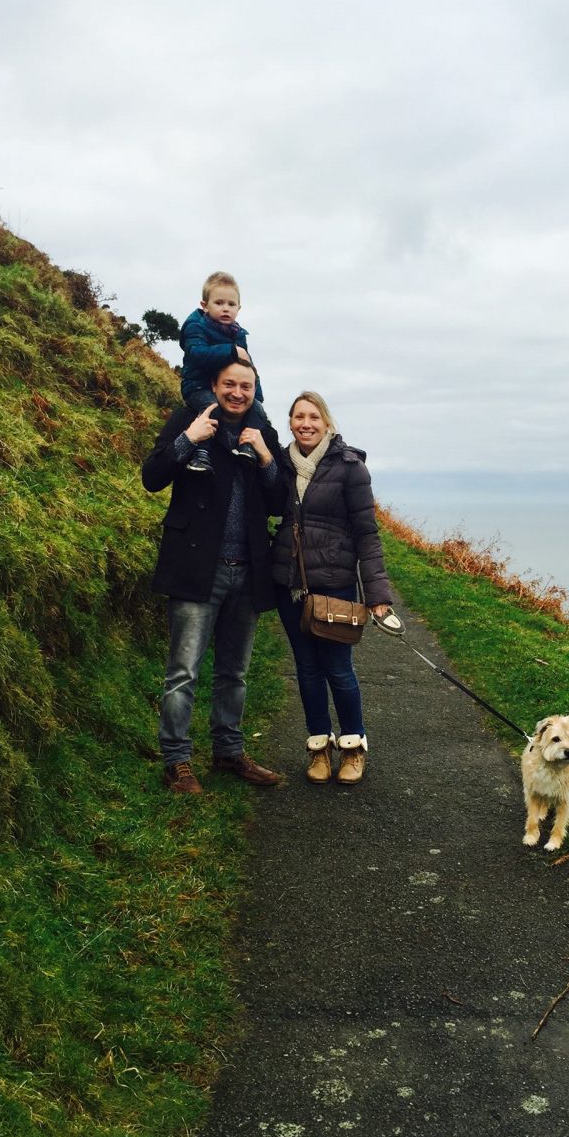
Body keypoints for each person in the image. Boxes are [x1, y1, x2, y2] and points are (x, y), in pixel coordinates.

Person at [141, 359, 284, 793]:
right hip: (197, 566)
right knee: (183, 671)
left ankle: (228, 753)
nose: (237, 392)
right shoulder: (190, 419)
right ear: (215, 386)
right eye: (229, 384)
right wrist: (188, 440)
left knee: (234, 673)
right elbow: (152, 477)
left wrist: (264, 456)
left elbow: (279, 501)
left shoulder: (263, 432)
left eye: (246, 386)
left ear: (254, 391)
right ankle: (176, 761)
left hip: (248, 571)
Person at [270, 391, 393, 785]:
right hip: (291, 587)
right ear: (289, 422)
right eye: (298, 417)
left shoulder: (350, 466)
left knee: (338, 670)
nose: (305, 424)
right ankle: (319, 749)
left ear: (327, 423)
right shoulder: (281, 465)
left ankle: (353, 749)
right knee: (307, 670)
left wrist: (378, 597)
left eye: (313, 417)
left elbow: (367, 534)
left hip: (336, 585)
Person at [178, 270, 268, 475]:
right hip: (198, 385)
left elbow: (248, 368)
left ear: (239, 308)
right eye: (219, 303)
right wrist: (231, 351)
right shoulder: (195, 326)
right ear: (204, 305)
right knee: (212, 407)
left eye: (231, 304)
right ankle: (200, 454)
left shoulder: (238, 334)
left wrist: (256, 395)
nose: (225, 309)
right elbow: (196, 353)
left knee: (257, 410)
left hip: (225, 387)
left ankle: (247, 447)